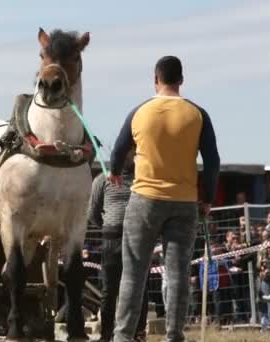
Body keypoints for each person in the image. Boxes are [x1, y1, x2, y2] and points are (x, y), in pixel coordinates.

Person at [107, 55, 220, 342]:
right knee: (178, 273)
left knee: (133, 272)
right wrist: (206, 198)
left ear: (155, 80)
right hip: (184, 202)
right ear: (181, 80)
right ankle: (174, 336)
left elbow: (118, 152)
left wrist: (116, 173)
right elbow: (212, 161)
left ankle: (122, 337)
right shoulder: (198, 114)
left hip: (144, 198)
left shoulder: (140, 112)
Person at [88, 148, 149, 342]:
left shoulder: (142, 180)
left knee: (140, 287)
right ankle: (106, 334)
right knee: (110, 289)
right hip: (112, 239)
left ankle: (138, 333)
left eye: (132, 154)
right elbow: (92, 212)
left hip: (137, 239)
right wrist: (108, 226)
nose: (130, 158)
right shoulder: (102, 180)